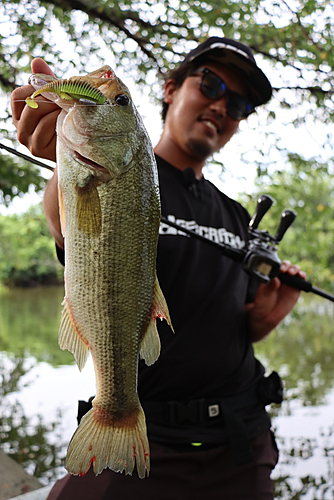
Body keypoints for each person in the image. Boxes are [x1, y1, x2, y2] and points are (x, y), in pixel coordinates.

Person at [11, 37, 306, 499]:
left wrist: (270, 311)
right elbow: (70, 220)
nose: (221, 105)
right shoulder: (117, 170)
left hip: (238, 442)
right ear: (170, 89)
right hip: (143, 435)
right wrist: (61, 164)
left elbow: (239, 325)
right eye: (210, 84)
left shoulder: (233, 213)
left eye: (240, 103)